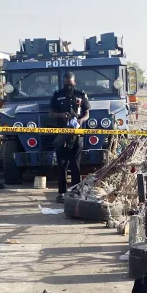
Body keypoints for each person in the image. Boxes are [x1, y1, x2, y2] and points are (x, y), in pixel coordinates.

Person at [50, 72, 90, 203]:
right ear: (63, 83)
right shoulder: (57, 95)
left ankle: (75, 191)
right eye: (66, 84)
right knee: (61, 165)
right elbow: (51, 113)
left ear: (75, 83)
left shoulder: (81, 95)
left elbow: (87, 114)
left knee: (75, 165)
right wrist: (61, 115)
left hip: (76, 135)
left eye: (71, 84)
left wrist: (80, 121)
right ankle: (61, 193)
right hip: (62, 135)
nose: (68, 86)